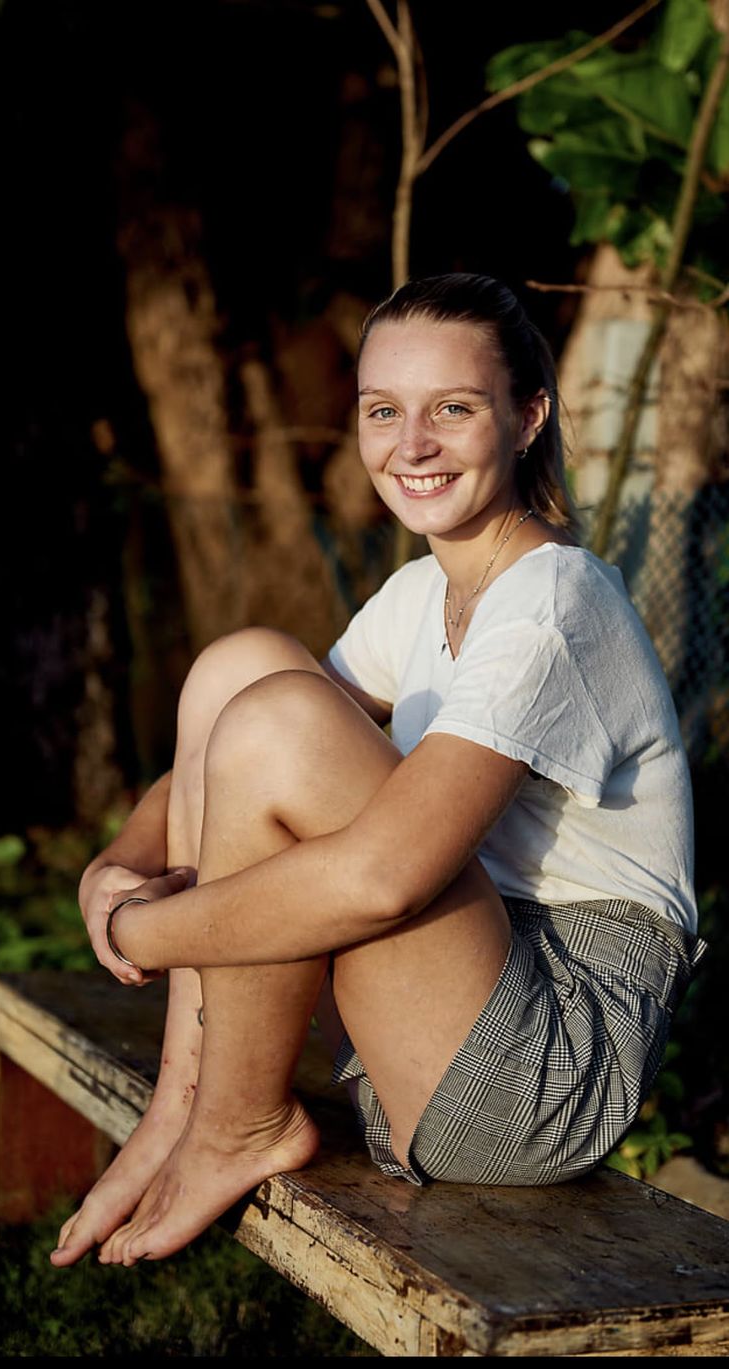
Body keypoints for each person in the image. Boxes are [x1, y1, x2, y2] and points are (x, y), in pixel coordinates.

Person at [50, 272, 705, 1271]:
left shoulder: (553, 604)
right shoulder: (422, 592)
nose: (412, 445)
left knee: (278, 717)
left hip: (546, 1065)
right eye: (382, 410)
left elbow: (383, 878)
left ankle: (236, 1123)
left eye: (454, 408)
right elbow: (233, 746)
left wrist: (138, 926)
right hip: (453, 995)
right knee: (240, 668)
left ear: (529, 416)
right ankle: (188, 1101)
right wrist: (121, 862)